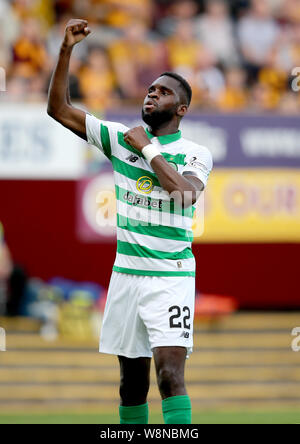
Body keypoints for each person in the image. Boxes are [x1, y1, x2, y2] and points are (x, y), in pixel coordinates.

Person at [47, 19, 213, 424]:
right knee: (130, 385)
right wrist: (67, 49)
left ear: (182, 108)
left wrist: (149, 149)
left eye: (164, 91)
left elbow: (185, 194)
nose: (152, 94)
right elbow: (58, 109)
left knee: (170, 378)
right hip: (125, 277)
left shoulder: (195, 152)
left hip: (169, 277)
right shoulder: (120, 140)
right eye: (151, 89)